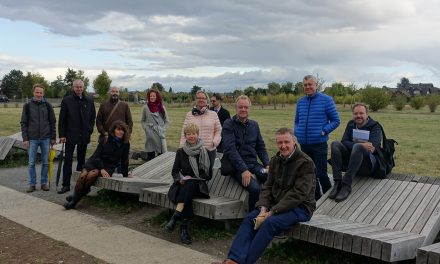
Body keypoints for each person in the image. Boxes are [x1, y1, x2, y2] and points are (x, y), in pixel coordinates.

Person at [217, 128, 316, 264]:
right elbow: (267, 187)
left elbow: (299, 194)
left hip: (301, 207)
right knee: (250, 218)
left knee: (270, 223)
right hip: (276, 206)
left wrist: (272, 212)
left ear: (294, 142)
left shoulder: (305, 162)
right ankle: (234, 260)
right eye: (280, 142)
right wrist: (263, 208)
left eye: (287, 142)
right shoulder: (275, 160)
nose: (283, 146)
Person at [165, 123, 215, 244]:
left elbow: (208, 175)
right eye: (188, 134)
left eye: (193, 133)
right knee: (187, 188)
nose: (191, 136)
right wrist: (180, 179)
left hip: (199, 186)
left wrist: (194, 178)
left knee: (191, 183)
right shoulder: (181, 152)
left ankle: (175, 217)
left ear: (197, 135)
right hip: (182, 184)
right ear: (185, 136)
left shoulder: (205, 152)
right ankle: (183, 229)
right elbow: (175, 171)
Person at [64, 120, 130, 209]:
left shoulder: (125, 144)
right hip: (95, 162)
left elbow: (124, 160)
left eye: (123, 130)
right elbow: (96, 156)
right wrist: (101, 168)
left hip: (108, 167)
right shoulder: (105, 139)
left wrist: (125, 175)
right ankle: (76, 196)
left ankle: (74, 201)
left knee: (91, 175)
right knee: (83, 175)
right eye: (118, 129)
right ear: (113, 130)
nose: (120, 132)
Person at [294, 75, 340, 200]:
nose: (308, 87)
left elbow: (336, 120)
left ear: (316, 85)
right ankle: (316, 198)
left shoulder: (326, 100)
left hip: (319, 144)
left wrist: (324, 130)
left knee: (321, 173)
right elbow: (297, 121)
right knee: (309, 173)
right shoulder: (301, 102)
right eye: (305, 85)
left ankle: (328, 196)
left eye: (310, 84)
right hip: (304, 144)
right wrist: (297, 132)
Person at [222, 95, 270, 211]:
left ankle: (270, 211)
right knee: (255, 189)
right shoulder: (229, 124)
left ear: (250, 109)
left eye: (246, 107)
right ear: (236, 108)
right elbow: (230, 150)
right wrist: (244, 170)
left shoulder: (254, 125)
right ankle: (252, 217)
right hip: (237, 167)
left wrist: (267, 164)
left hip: (253, 164)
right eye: (240, 107)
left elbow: (260, 147)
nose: (243, 110)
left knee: (272, 178)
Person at [328, 103, 382, 202]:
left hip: (367, 165)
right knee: (335, 144)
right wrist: (359, 145)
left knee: (358, 146)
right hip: (351, 162)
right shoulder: (351, 124)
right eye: (356, 113)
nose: (358, 116)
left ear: (367, 114)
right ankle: (337, 182)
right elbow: (344, 141)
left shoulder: (375, 126)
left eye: (361, 113)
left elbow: (372, 147)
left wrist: (358, 146)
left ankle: (346, 185)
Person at [58, 79, 96, 194]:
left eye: (80, 87)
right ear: (73, 88)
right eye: (76, 87)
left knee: (81, 161)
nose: (79, 89)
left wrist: (89, 129)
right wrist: (62, 135)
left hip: (84, 135)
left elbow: (92, 116)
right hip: (70, 135)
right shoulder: (67, 100)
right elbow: (62, 119)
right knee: (68, 160)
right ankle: (66, 185)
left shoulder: (89, 100)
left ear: (83, 88)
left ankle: (80, 185)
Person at [20, 84, 56, 192]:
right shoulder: (27, 106)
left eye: (41, 93)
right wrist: (25, 138)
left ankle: (44, 183)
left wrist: (53, 137)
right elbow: (23, 122)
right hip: (32, 139)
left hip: (46, 138)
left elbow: (52, 122)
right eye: (37, 92)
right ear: (33, 93)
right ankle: (32, 184)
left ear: (43, 94)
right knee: (31, 163)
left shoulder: (48, 106)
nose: (39, 94)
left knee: (45, 162)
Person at [141, 89, 169, 161]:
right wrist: (146, 129)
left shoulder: (162, 107)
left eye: (154, 96)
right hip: (150, 135)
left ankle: (160, 171)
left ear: (157, 97)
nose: (152, 97)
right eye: (150, 96)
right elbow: (142, 121)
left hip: (159, 134)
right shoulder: (145, 107)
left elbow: (167, 121)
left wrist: (162, 130)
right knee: (150, 157)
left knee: (161, 156)